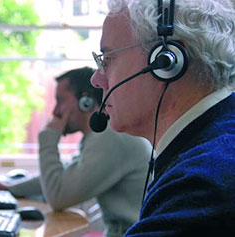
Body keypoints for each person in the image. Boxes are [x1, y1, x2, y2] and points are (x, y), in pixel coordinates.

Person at [90, 0, 235, 236]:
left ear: (166, 62)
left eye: (107, 59)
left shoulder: (203, 182)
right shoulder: (212, 143)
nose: (96, 79)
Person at [0, 67, 152, 236]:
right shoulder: (101, 135)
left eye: (60, 101)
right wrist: (10, 188)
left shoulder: (110, 137)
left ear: (86, 102)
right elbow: (66, 175)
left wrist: (48, 138)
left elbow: (58, 197)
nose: (55, 111)